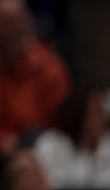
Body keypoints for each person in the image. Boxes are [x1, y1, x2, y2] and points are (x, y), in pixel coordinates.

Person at [33, 87, 110, 190]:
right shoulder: (50, 144)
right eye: (94, 113)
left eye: (103, 112)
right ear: (77, 113)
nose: (101, 119)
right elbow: (50, 189)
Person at [0, 0, 70, 152]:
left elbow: (62, 128)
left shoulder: (50, 70)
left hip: (42, 152)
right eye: (7, 24)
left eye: (20, 21)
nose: (17, 30)